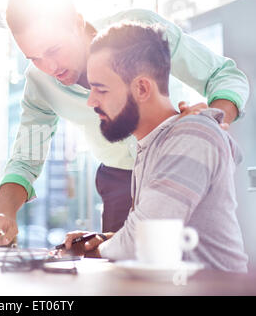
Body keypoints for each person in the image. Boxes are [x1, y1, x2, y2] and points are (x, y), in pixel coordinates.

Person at [0, 0, 250, 246]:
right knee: (120, 275)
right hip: (118, 181)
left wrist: (209, 126)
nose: (49, 67)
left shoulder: (141, 31)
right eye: (34, 58)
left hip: (175, 166)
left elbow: (224, 76)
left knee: (191, 262)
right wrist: (3, 214)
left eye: (54, 49)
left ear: (77, 22)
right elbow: (26, 158)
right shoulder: (39, 82)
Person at [63, 22, 248, 272]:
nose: (91, 101)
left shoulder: (191, 135)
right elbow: (149, 234)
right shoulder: (152, 145)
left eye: (101, 89)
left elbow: (140, 242)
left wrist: (93, 251)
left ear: (141, 88)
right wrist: (106, 239)